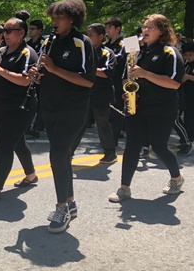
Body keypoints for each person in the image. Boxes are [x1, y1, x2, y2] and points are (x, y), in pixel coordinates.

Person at [31, 0, 95, 233]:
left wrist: (55, 69)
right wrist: (38, 75)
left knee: (57, 155)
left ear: (72, 18)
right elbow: (47, 73)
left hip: (73, 108)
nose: (54, 22)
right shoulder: (49, 41)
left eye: (59, 18)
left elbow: (88, 81)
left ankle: (61, 207)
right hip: (49, 106)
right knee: (63, 156)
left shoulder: (82, 42)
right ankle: (70, 202)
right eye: (53, 17)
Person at [108, 14, 186, 203]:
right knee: (132, 146)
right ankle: (124, 188)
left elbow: (174, 83)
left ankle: (177, 178)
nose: (145, 31)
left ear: (162, 30)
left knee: (158, 146)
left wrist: (145, 73)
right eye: (144, 27)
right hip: (139, 106)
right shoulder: (139, 53)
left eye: (150, 27)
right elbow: (133, 78)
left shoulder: (170, 52)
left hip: (162, 108)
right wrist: (129, 88)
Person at [0, 16, 38, 202]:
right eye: (4, 30)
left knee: (5, 145)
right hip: (1, 105)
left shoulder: (28, 53)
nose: (5, 34)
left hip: (21, 107)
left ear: (21, 33)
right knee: (18, 142)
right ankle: (31, 175)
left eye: (9, 30)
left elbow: (24, 80)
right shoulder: (1, 51)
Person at [71, 23, 117, 163]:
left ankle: (110, 153)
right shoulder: (83, 51)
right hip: (84, 92)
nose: (88, 37)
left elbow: (107, 72)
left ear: (101, 37)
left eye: (91, 35)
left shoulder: (107, 52)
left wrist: (90, 70)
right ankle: (69, 151)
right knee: (79, 122)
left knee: (102, 123)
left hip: (101, 93)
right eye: (87, 34)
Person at [105, 17, 126, 145]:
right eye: (106, 28)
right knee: (107, 111)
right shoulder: (106, 45)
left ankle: (115, 137)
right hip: (107, 82)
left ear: (117, 29)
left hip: (119, 81)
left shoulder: (124, 43)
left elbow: (123, 59)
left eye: (109, 27)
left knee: (118, 109)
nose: (107, 30)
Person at [181, 42, 194, 149]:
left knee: (190, 119)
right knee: (187, 119)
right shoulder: (186, 64)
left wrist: (188, 77)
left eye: (191, 55)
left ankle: (190, 140)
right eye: (186, 55)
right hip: (186, 95)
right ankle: (187, 138)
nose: (188, 57)